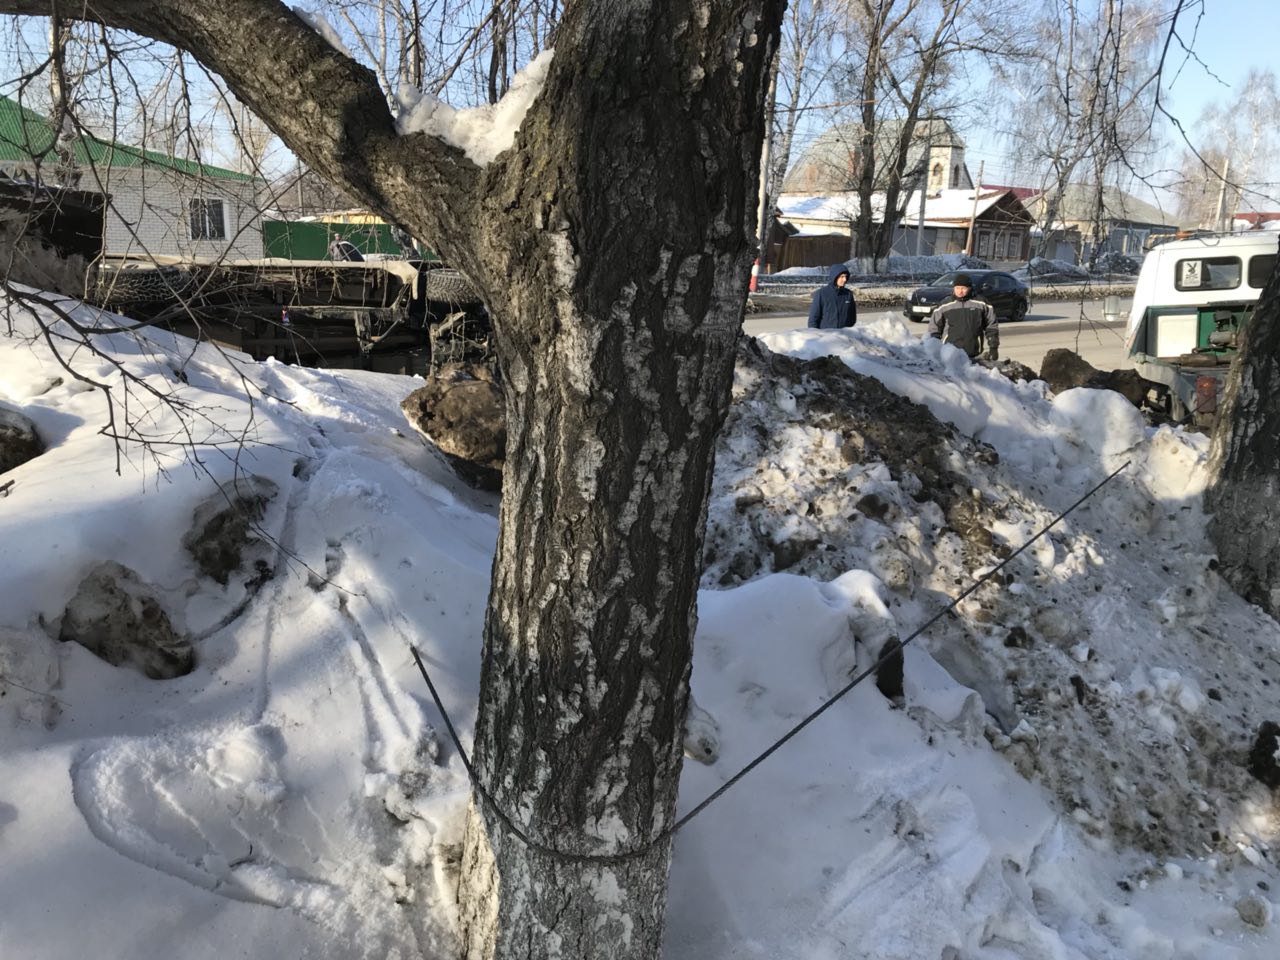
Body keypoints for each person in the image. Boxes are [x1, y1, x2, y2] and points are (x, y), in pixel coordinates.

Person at [927, 273, 998, 360]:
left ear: (970, 288)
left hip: (974, 352)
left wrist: (993, 347)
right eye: (957, 288)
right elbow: (934, 329)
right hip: (950, 354)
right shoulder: (945, 305)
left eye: (963, 288)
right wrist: (934, 349)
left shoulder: (982, 303)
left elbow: (991, 326)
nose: (960, 291)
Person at [807, 263, 858, 329]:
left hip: (844, 336)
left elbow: (852, 318)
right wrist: (816, 336)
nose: (845, 279)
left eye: (845, 276)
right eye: (842, 277)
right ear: (835, 277)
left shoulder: (848, 294)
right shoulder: (821, 294)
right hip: (826, 336)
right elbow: (813, 320)